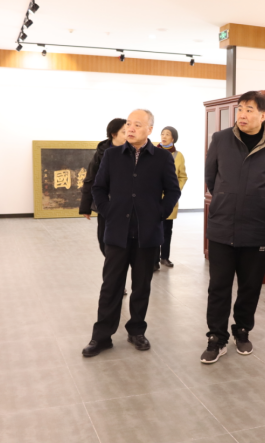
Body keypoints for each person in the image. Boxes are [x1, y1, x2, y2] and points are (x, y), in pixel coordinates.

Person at [201, 91, 265, 364]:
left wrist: (260, 206)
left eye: (249, 110)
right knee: (218, 287)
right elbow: (211, 177)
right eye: (240, 108)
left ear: (264, 115)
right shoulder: (220, 139)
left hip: (256, 229)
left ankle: (242, 330)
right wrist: (227, 201)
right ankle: (216, 338)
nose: (242, 114)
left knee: (250, 287)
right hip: (222, 227)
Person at [82, 109, 181, 357]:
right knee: (111, 286)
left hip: (148, 235)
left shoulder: (162, 158)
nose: (131, 128)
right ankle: (101, 336)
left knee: (141, 286)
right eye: (128, 124)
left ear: (149, 129)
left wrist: (159, 213)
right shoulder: (112, 155)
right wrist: (108, 212)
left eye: (137, 124)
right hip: (117, 232)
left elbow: (173, 190)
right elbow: (98, 187)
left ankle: (136, 330)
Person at [79, 118, 127, 255]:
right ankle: (110, 260)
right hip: (106, 203)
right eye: (124, 132)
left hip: (126, 203)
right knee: (103, 238)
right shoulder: (101, 153)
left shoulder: (133, 151)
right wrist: (85, 206)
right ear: (113, 134)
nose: (128, 135)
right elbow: (91, 179)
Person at [155, 126, 188, 269]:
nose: (164, 136)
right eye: (162, 134)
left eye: (167, 134)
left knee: (167, 230)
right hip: (153, 198)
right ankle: (153, 261)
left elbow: (182, 176)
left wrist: (174, 190)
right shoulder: (153, 152)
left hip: (169, 200)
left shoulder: (178, 156)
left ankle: (165, 257)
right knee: (153, 230)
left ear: (173, 138)